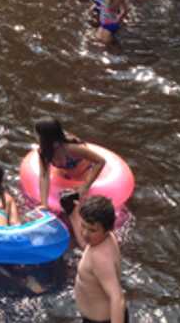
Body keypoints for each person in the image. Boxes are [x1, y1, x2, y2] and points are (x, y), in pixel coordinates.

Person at [74, 195, 128, 323]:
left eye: (92, 230)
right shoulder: (103, 239)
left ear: (107, 229)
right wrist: (72, 212)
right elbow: (84, 243)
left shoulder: (100, 258)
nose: (85, 233)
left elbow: (117, 298)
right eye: (83, 225)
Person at [34, 118, 106, 209]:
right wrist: (44, 203)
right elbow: (44, 176)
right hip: (65, 174)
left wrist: (86, 186)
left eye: (38, 135)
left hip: (84, 173)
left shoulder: (72, 148)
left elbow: (101, 161)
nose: (36, 137)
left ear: (45, 138)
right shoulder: (44, 152)